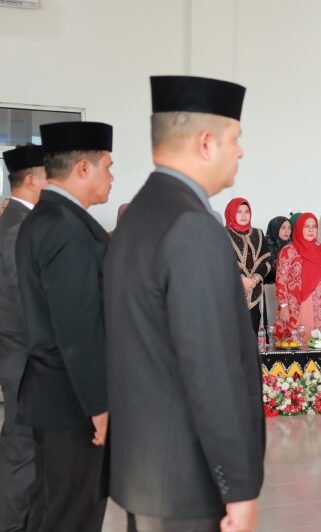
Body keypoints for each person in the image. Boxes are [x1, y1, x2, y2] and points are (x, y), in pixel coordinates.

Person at [104, 75, 264, 532]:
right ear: (207, 142)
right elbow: (211, 369)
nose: (241, 151)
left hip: (146, 471)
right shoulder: (193, 227)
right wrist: (237, 488)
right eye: (236, 138)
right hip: (186, 482)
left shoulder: (141, 214)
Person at [15, 122, 114, 531]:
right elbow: (77, 327)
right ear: (84, 169)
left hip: (55, 395)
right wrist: (100, 405)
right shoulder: (67, 230)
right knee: (71, 516)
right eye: (108, 166)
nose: (112, 177)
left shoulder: (47, 218)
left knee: (53, 510)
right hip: (73, 405)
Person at [0, 144, 47, 531]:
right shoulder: (18, 224)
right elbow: (22, 301)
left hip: (17, 352)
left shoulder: (13, 219)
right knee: (21, 448)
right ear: (32, 178)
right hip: (22, 353)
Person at [275, 212, 321, 342]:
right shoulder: (288, 251)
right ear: (298, 228)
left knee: (317, 344)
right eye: (306, 226)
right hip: (294, 307)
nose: (310, 229)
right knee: (293, 345)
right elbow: (281, 280)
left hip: (318, 307)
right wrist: (284, 306)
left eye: (314, 226)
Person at [224, 197, 270, 334]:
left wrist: (254, 279)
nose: (244, 215)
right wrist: (241, 279)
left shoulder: (258, 234)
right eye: (239, 211)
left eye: (246, 211)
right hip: (233, 291)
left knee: (254, 331)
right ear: (231, 213)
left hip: (256, 292)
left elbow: (266, 261)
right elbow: (222, 261)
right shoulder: (223, 234)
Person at [263, 216, 291, 326]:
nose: (287, 231)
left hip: (287, 294)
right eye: (283, 227)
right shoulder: (265, 247)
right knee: (271, 325)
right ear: (275, 229)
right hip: (270, 291)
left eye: (289, 228)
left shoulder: (292, 247)